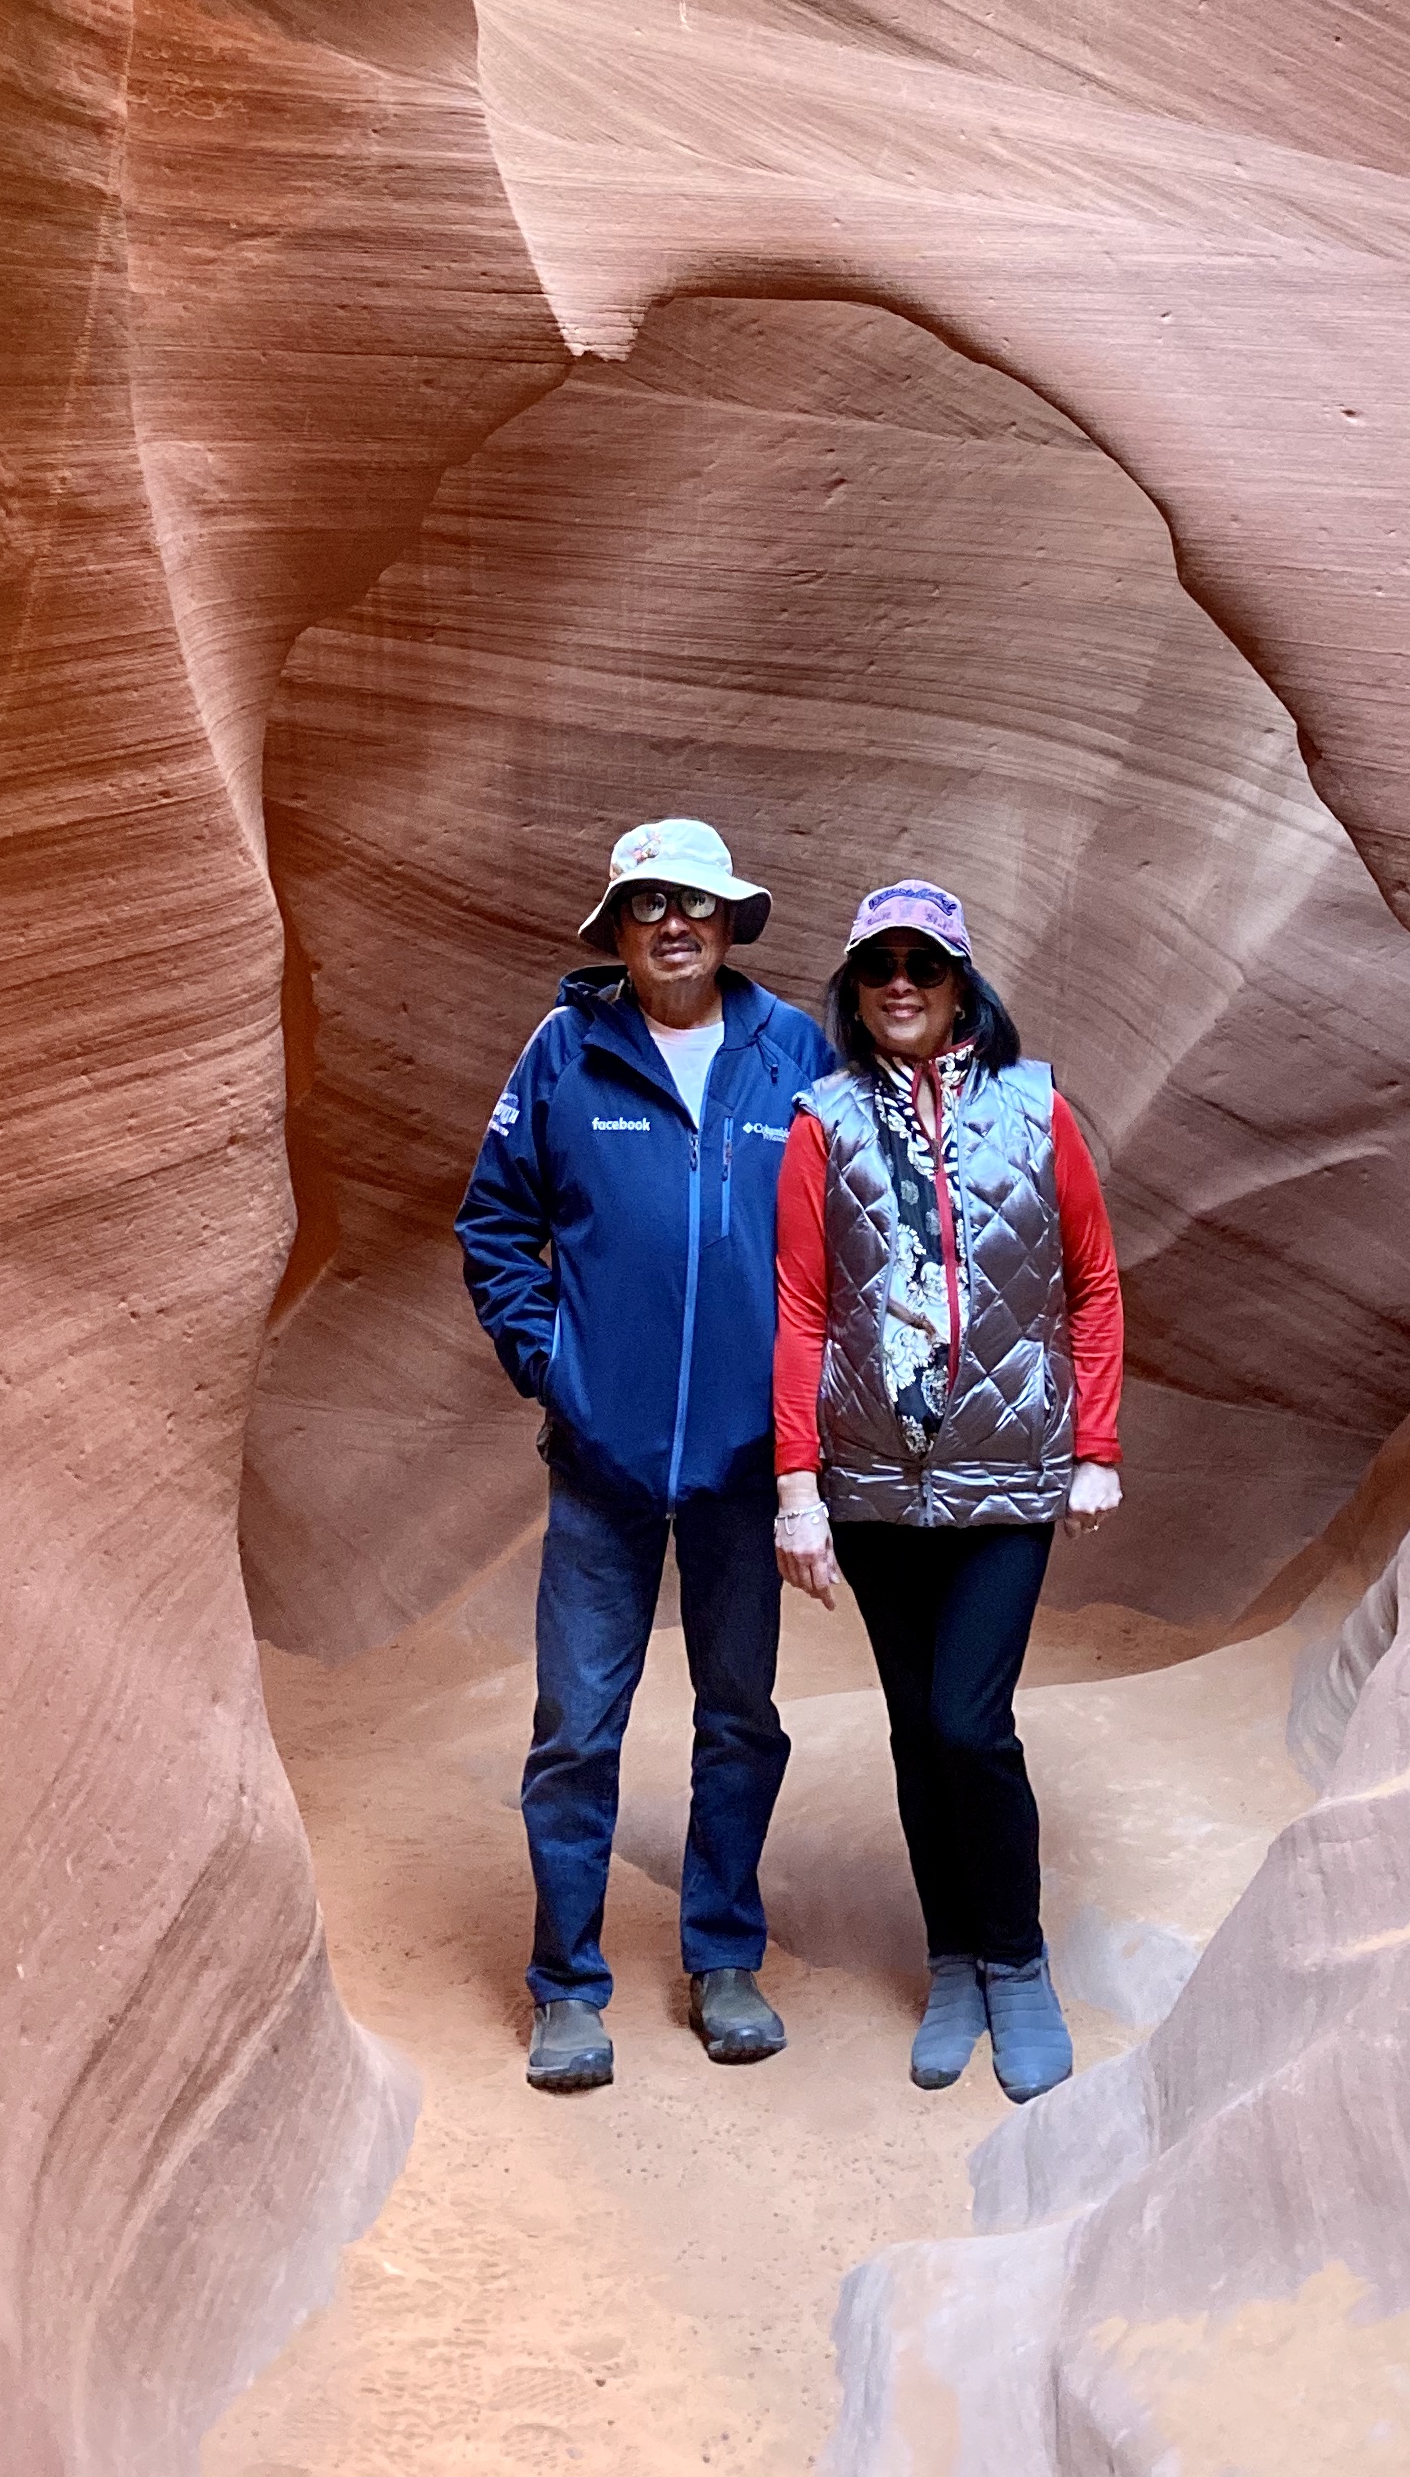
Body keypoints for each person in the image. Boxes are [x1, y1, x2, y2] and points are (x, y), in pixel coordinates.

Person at [457, 814, 839, 2094]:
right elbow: (497, 1222)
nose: (674, 923)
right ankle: (568, 1986)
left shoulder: (792, 1052)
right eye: (648, 905)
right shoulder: (565, 1052)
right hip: (604, 1462)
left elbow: (847, 1240)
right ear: (617, 930)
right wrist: (551, 1362)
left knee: (739, 1718)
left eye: (697, 902)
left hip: (746, 1464)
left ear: (730, 921)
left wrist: (809, 1423)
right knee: (577, 1724)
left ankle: (724, 1960)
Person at [771, 879, 1124, 2101]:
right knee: (918, 1732)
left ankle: (1018, 1962)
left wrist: (1096, 1447)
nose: (903, 983)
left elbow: (1093, 1281)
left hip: (1010, 1474)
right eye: (881, 968)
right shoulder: (824, 1121)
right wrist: (797, 1488)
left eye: (925, 963)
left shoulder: (1039, 1109)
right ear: (856, 993)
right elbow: (805, 1309)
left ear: (962, 980)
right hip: (874, 1485)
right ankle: (954, 1964)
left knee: (972, 1725)